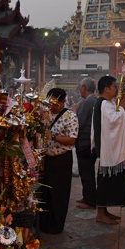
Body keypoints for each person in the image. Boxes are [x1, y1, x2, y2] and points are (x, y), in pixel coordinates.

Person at [91, 76, 125, 225]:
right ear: (107, 88)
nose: (117, 89)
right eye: (115, 86)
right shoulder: (103, 104)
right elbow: (114, 121)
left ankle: (105, 211)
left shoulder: (107, 103)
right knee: (104, 181)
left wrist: (120, 106)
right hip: (107, 150)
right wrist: (122, 107)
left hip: (108, 149)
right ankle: (100, 214)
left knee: (109, 181)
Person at [39, 88, 78, 234]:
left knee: (59, 194)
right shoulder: (46, 115)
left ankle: (56, 224)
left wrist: (53, 137)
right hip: (47, 158)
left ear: (62, 101)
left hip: (61, 160)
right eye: (49, 103)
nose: (51, 106)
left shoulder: (70, 116)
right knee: (45, 193)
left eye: (55, 103)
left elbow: (72, 140)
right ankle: (44, 223)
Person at [75, 78, 98, 209]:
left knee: (86, 172)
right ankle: (87, 196)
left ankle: (90, 200)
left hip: (85, 142)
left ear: (84, 87)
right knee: (87, 171)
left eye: (80, 87)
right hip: (92, 142)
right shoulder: (95, 101)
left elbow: (80, 122)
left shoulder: (87, 102)